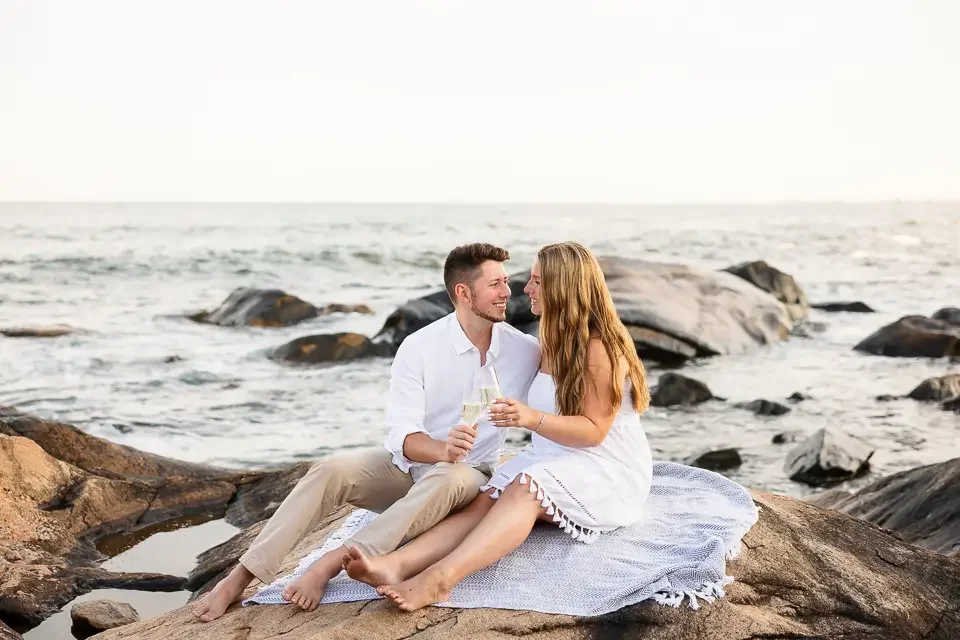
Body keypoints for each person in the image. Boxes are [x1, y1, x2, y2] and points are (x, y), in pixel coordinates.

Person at [192, 243, 541, 621]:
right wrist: (441, 449)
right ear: (463, 292)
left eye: (506, 282)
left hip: (468, 476)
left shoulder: (523, 351)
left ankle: (329, 564)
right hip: (410, 468)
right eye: (495, 284)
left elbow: (557, 400)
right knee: (331, 469)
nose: (508, 292)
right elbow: (402, 435)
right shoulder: (419, 347)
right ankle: (239, 578)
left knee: (449, 476)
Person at [340, 241, 653, 612]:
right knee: (484, 498)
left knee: (525, 487)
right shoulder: (550, 339)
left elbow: (594, 431)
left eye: (537, 281)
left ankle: (442, 578)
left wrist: (529, 418)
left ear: (562, 287)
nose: (525, 289)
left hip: (605, 466)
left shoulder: (599, 348)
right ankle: (395, 565)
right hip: (556, 454)